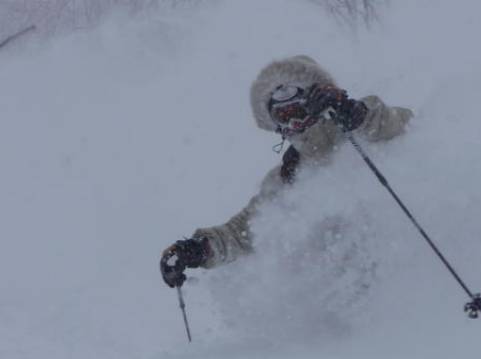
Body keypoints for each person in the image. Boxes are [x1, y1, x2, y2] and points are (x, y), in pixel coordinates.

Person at [160, 55, 413, 288]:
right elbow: (245, 232)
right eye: (283, 116)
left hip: (405, 271)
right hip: (351, 295)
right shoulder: (288, 178)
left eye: (298, 110)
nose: (294, 122)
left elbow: (404, 124)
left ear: (317, 102)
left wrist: (356, 114)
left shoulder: (359, 127)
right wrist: (199, 249)